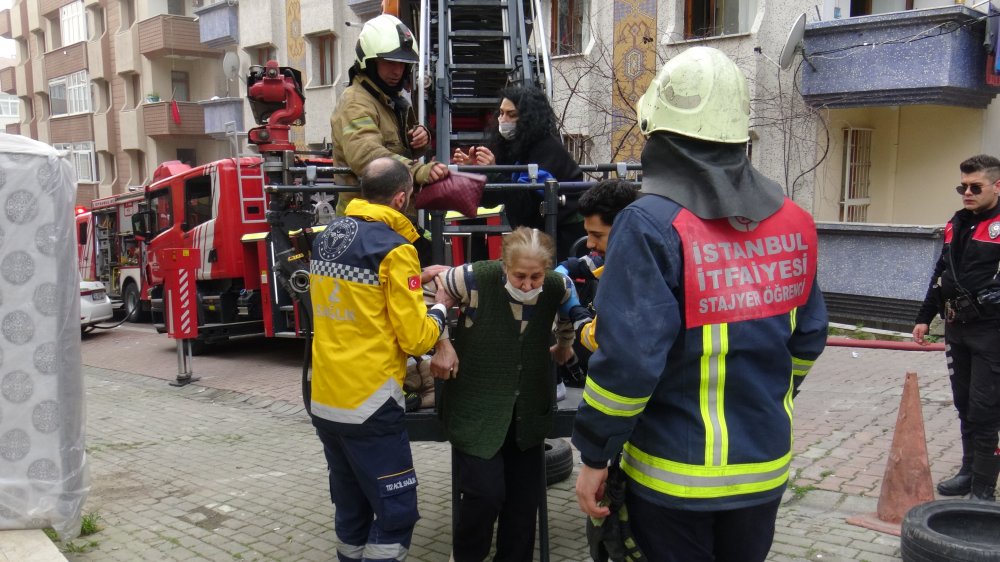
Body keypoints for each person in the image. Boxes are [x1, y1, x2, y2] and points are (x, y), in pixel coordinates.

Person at [571, 46, 829, 562]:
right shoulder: (794, 221)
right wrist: (764, 400)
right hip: (764, 466)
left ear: (657, 132)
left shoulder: (649, 225)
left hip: (676, 476)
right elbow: (808, 338)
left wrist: (595, 454)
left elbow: (628, 364)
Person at [308, 157, 451, 562]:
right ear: (402, 198)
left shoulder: (328, 235)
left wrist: (412, 280)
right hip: (370, 405)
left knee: (351, 509)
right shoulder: (396, 250)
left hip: (326, 400)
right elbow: (416, 338)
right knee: (395, 512)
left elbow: (358, 296)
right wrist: (439, 306)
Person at [429, 227, 576, 562]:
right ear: (503, 265)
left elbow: (570, 309)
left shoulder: (557, 285)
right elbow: (422, 300)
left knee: (525, 504)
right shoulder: (471, 278)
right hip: (476, 408)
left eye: (535, 276)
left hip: (527, 411)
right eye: (519, 275)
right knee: (485, 493)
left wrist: (564, 345)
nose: (527, 284)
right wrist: (441, 344)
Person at [913, 154, 1000, 502]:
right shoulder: (958, 223)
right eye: (962, 187)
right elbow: (941, 273)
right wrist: (923, 316)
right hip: (957, 328)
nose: (967, 192)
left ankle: (983, 488)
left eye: (975, 187)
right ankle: (967, 472)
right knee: (964, 403)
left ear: (997, 186)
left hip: (992, 331)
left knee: (985, 407)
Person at [332, 14, 448, 217]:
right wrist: (416, 170)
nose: (397, 71)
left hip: (391, 219)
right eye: (389, 62)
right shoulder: (355, 102)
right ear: (369, 62)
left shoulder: (390, 101)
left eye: (403, 64)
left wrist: (419, 139)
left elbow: (399, 149)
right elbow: (366, 156)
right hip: (365, 223)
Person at [451, 85, 584, 259]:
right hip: (536, 236)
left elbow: (523, 202)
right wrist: (475, 170)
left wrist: (491, 172)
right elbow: (494, 199)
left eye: (511, 114)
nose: (503, 119)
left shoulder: (547, 149)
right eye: (501, 113)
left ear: (529, 118)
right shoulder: (511, 146)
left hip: (562, 240)